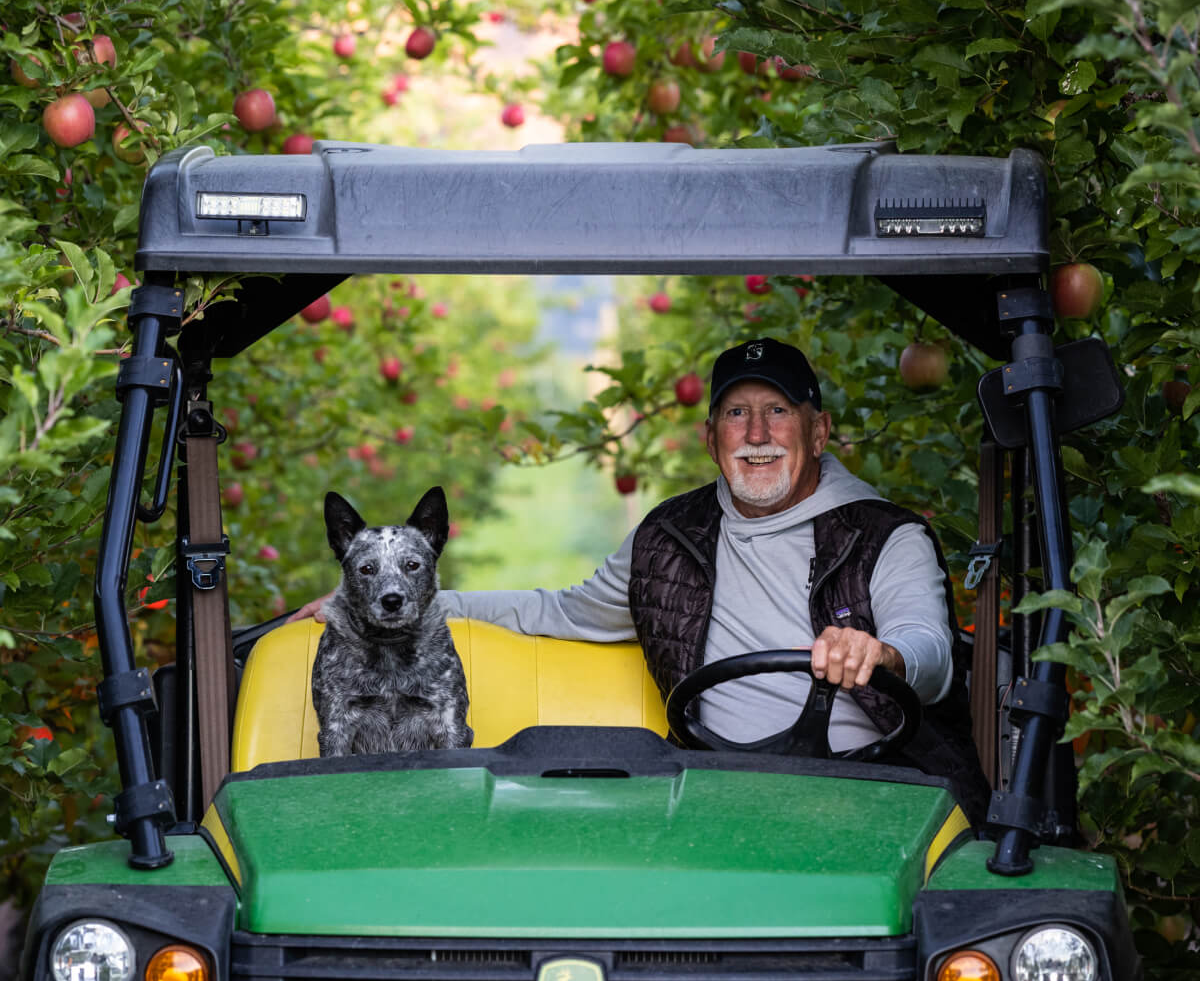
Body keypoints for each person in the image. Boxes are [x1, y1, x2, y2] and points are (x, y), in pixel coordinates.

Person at [290, 336, 990, 822]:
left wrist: (883, 653)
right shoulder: (669, 539)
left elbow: (928, 654)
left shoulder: (884, 535)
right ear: (709, 436)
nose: (757, 434)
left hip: (872, 783)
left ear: (819, 430)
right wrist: (391, 602)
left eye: (777, 412)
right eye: (737, 415)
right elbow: (560, 612)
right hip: (721, 789)